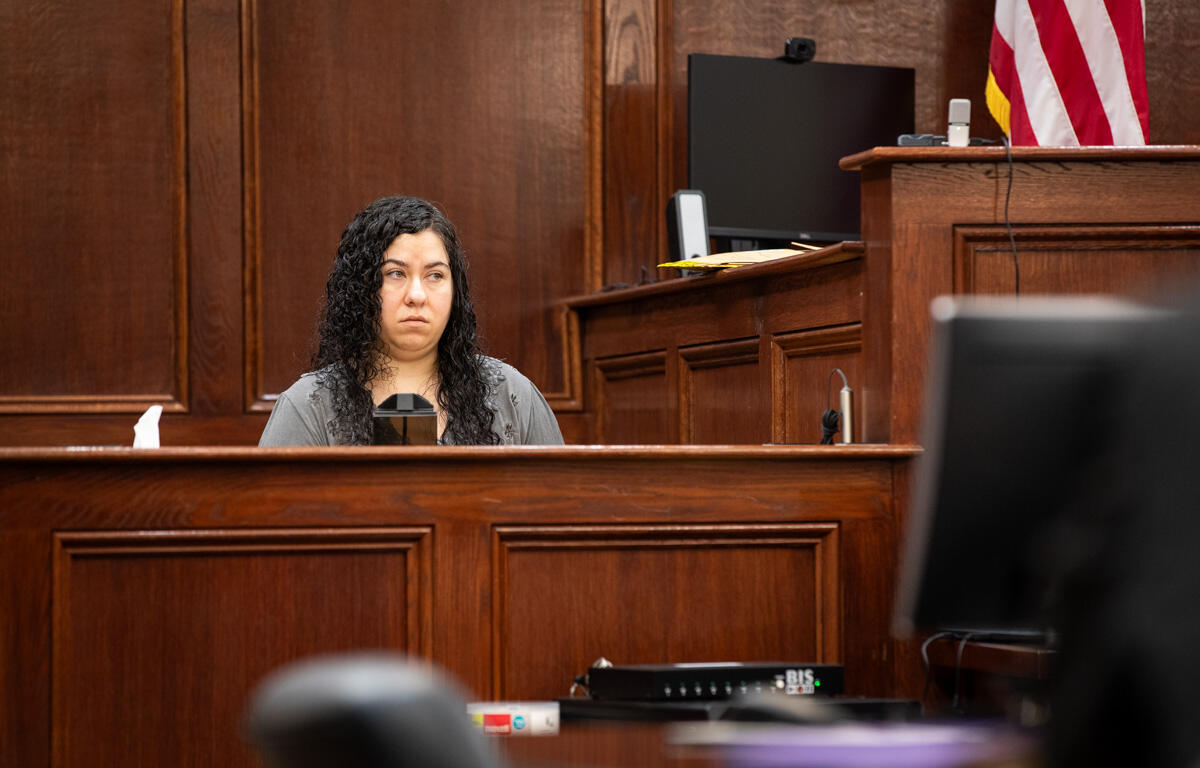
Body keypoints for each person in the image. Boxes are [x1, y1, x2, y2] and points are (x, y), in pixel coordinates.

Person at [259, 195, 563, 446]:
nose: (417, 295)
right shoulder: (308, 405)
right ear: (360, 288)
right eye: (395, 273)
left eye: (435, 275)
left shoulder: (512, 394)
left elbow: (560, 509)